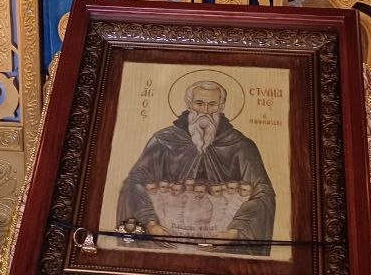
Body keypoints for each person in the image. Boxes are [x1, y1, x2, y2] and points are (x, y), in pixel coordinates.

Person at [116, 79, 275, 253]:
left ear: (221, 106)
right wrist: (151, 224)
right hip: (167, 238)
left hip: (222, 241)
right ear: (189, 103)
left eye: (212, 104)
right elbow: (134, 182)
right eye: (199, 103)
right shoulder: (163, 141)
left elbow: (263, 192)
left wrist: (233, 232)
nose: (205, 111)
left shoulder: (242, 146)